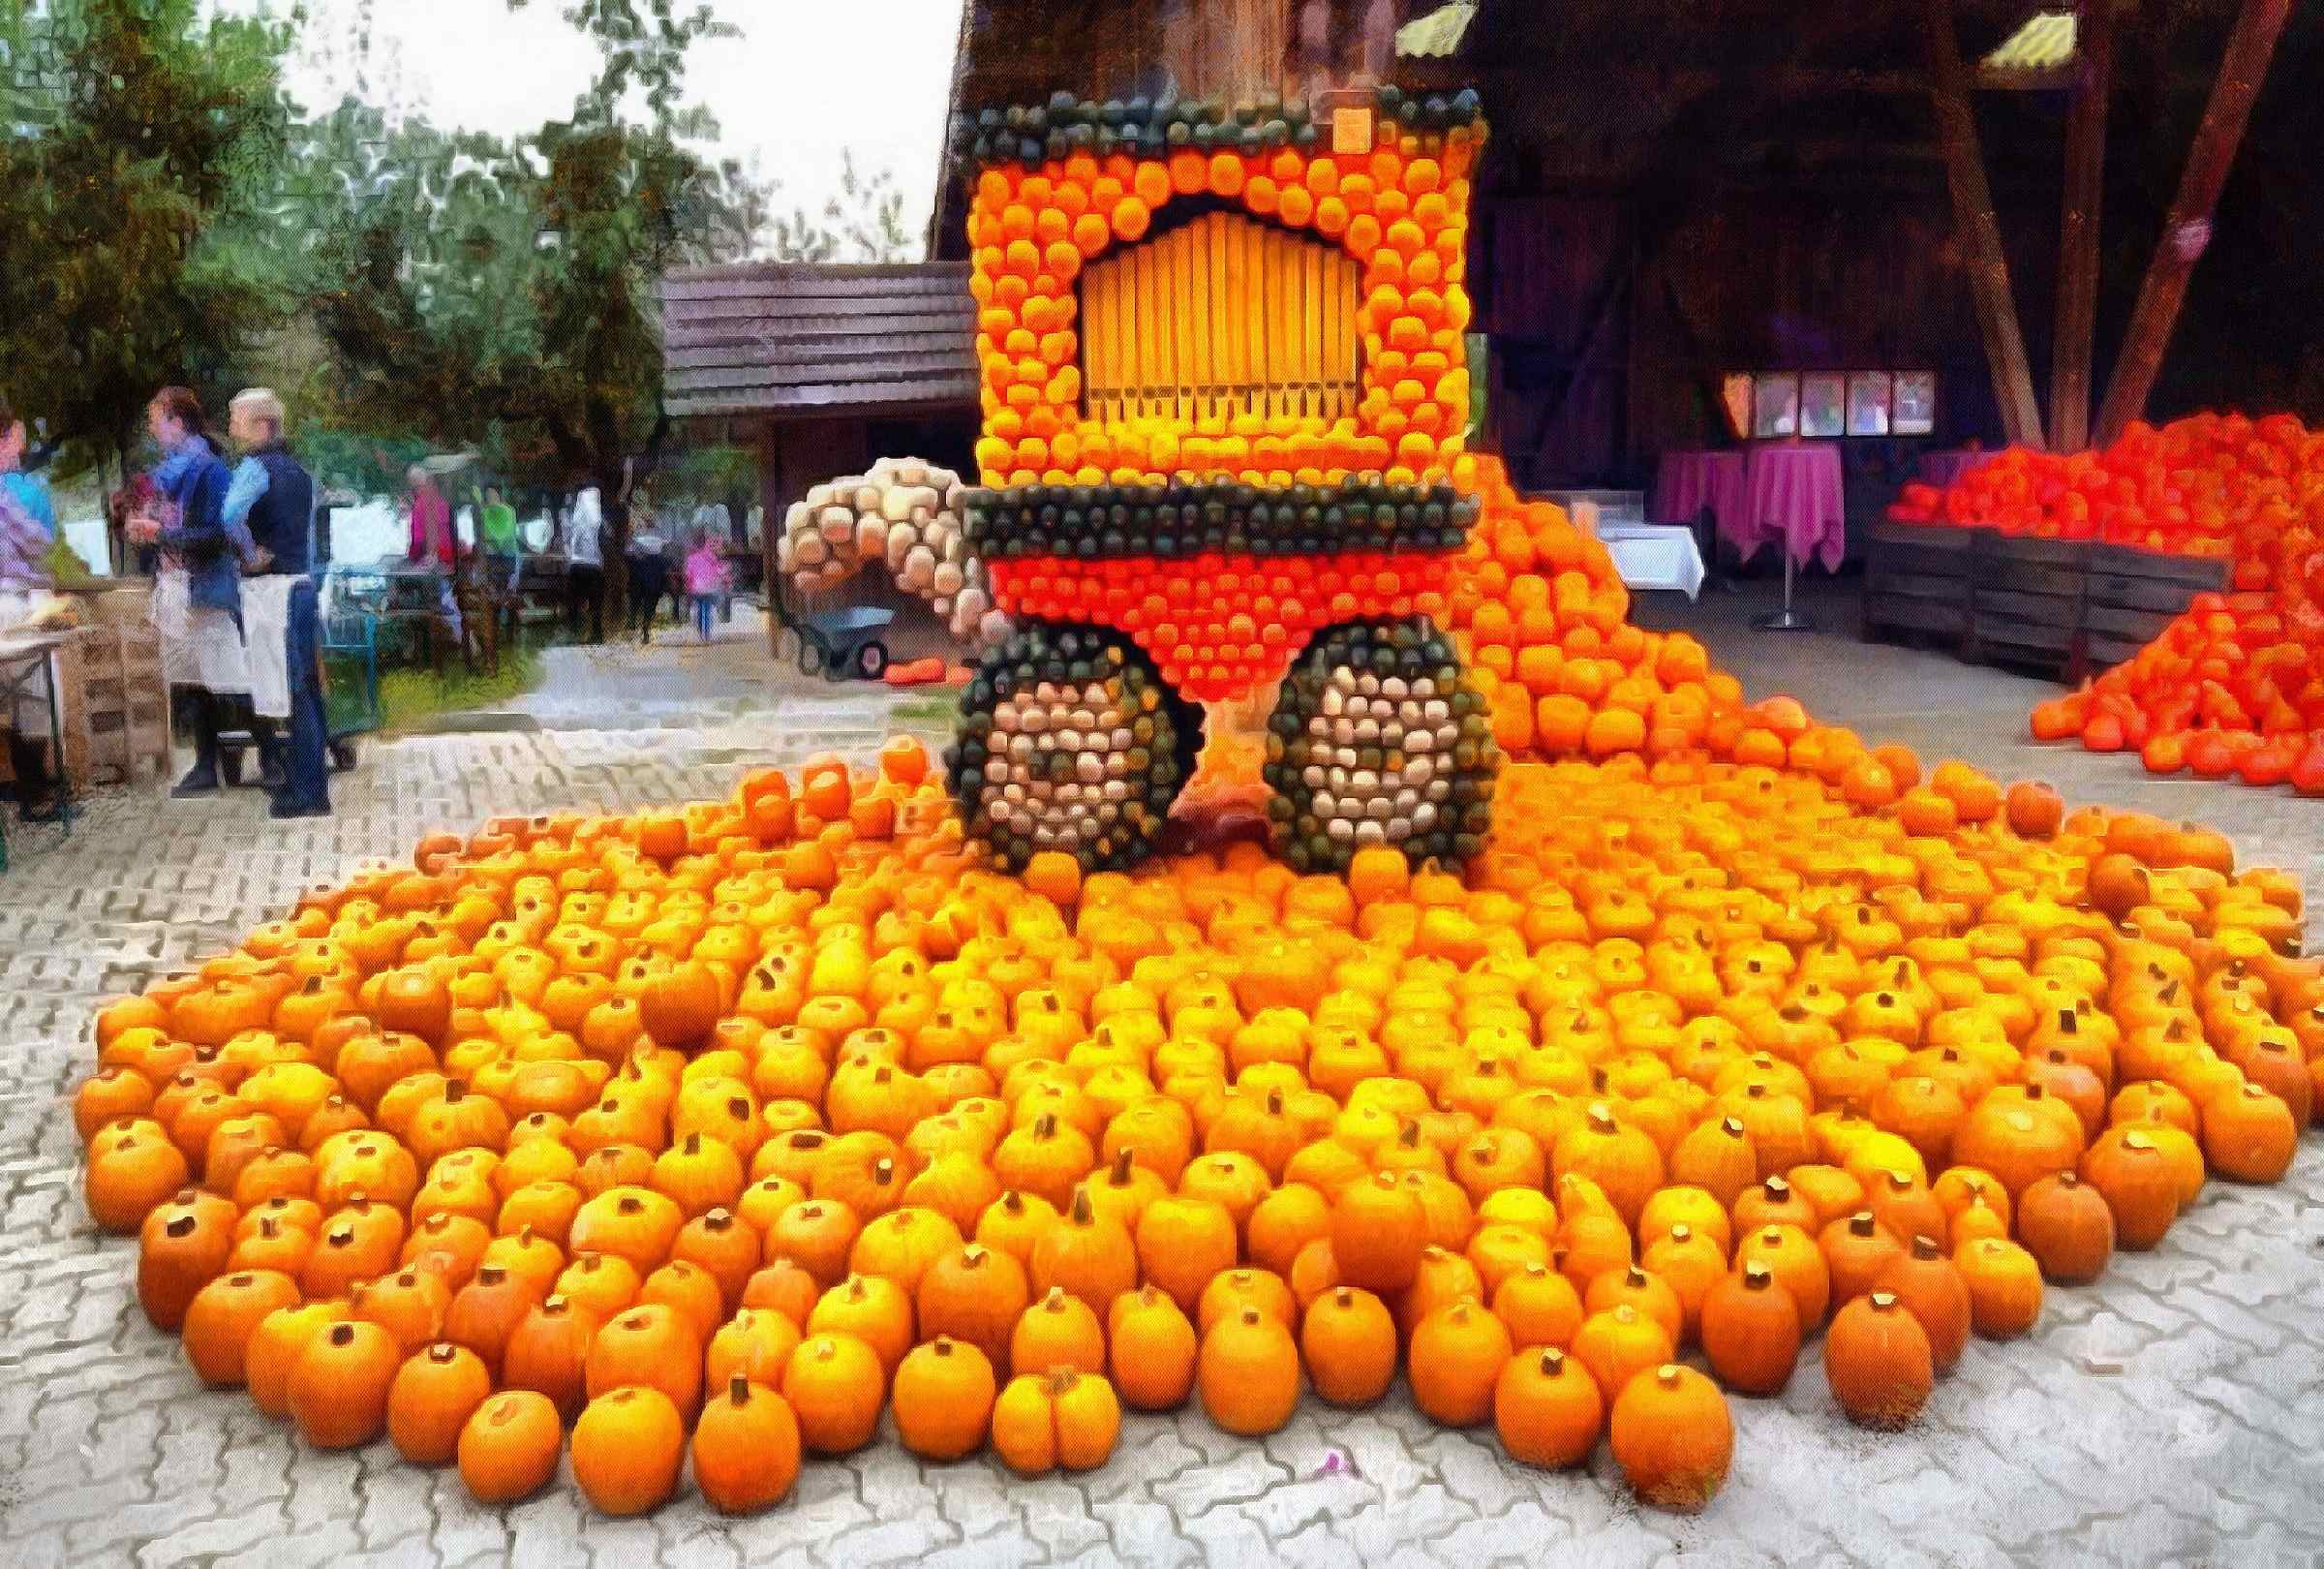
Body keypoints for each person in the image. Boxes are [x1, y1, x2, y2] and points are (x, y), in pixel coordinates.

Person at [130, 386, 247, 799]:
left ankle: (270, 754)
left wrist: (163, 533)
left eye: (155, 420)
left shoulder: (209, 470)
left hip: (207, 588)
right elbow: (170, 529)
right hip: (178, 586)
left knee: (227, 675)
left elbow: (217, 535)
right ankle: (205, 764)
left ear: (177, 423)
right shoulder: (171, 475)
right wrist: (149, 531)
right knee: (191, 679)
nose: (150, 429)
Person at [220, 388, 328, 819]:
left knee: (294, 691)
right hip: (302, 585)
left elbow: (229, 516)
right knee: (309, 693)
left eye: (236, 419)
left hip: (273, 592)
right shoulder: (300, 473)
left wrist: (247, 553)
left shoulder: (253, 468)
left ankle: (306, 793)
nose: (231, 427)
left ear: (262, 424)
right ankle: (312, 783)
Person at [0, 405, 62, 819]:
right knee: (34, 694)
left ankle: (29, 789)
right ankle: (36, 791)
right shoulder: (17, 494)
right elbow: (40, 542)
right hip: (15, 603)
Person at [404, 465, 462, 642]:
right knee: (444, 597)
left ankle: (423, 640)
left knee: (436, 597)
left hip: (435, 559)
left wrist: (414, 556)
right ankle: (456, 635)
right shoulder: (440, 500)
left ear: (414, 483)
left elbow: (420, 538)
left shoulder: (422, 502)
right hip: (448, 557)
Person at [477, 483, 522, 645]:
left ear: (498, 494)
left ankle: (508, 632)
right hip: (494, 558)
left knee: (506, 594)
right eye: (488, 495)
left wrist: (494, 539)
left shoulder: (508, 511)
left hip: (507, 558)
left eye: (492, 494)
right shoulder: (486, 512)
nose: (490, 497)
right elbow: (486, 535)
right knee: (494, 595)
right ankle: (495, 631)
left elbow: (506, 535)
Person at [564, 481, 605, 642]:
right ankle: (596, 633)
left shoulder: (577, 515)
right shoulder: (597, 517)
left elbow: (572, 537)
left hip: (578, 564)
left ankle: (574, 632)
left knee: (573, 600)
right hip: (594, 565)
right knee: (595, 602)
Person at [627, 506, 669, 645]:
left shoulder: (638, 534)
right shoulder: (660, 534)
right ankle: (645, 625)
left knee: (636, 597)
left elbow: (630, 550)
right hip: (655, 569)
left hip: (641, 567)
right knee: (651, 600)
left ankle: (634, 620)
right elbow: (665, 547)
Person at [683, 529, 731, 643]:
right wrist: (725, 578)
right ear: (705, 543)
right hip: (710, 587)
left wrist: (688, 586)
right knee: (707, 609)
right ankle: (707, 634)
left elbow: (688, 574)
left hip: (696, 588)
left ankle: (700, 631)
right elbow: (718, 570)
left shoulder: (691, 558)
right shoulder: (711, 557)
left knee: (700, 609)